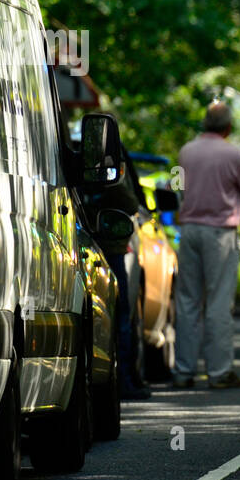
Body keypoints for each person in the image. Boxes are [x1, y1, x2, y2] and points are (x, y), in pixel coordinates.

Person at [172, 100, 240, 389]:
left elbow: (177, 187)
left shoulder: (186, 151)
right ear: (229, 127)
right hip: (220, 233)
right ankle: (219, 372)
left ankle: (184, 370)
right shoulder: (234, 154)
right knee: (219, 302)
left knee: (187, 301)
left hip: (190, 230)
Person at [80, 148, 150, 400]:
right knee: (120, 316)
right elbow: (132, 204)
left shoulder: (78, 177)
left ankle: (118, 380)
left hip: (88, 247)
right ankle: (125, 382)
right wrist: (118, 178)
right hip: (112, 250)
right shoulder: (110, 180)